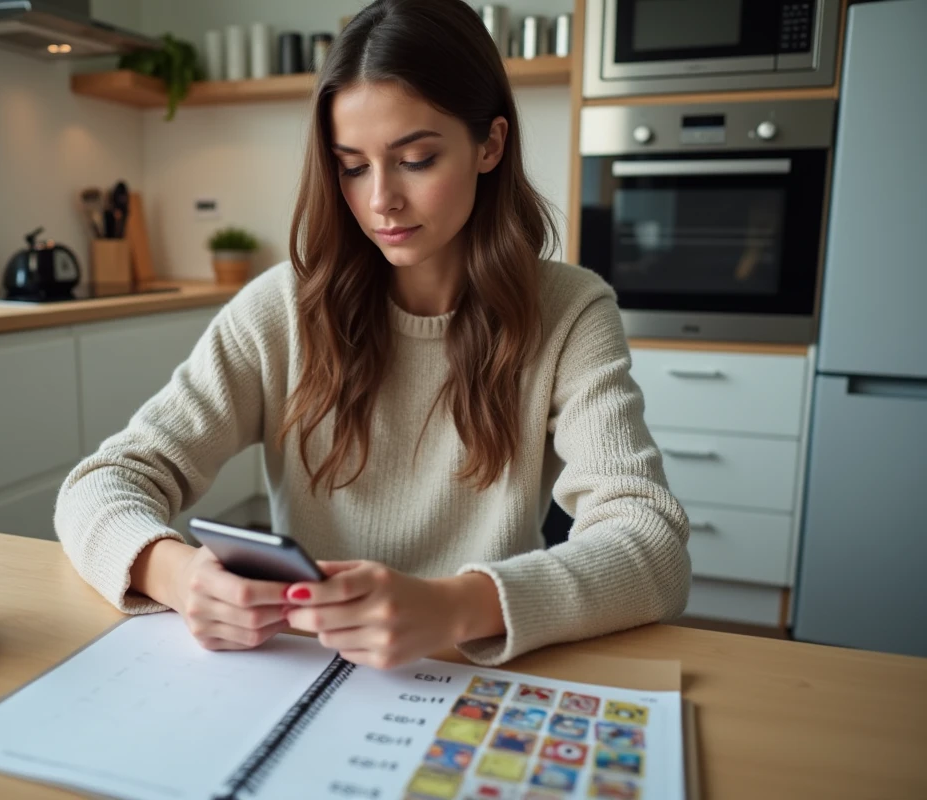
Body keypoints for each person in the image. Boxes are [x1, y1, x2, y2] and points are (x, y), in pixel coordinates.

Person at [54, 0, 690, 669]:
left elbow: (652, 545)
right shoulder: (281, 309)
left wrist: (454, 606)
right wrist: (178, 575)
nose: (380, 198)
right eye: (353, 166)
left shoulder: (569, 313)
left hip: (479, 678)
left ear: (490, 145)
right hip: (304, 670)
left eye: (415, 158)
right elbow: (103, 482)